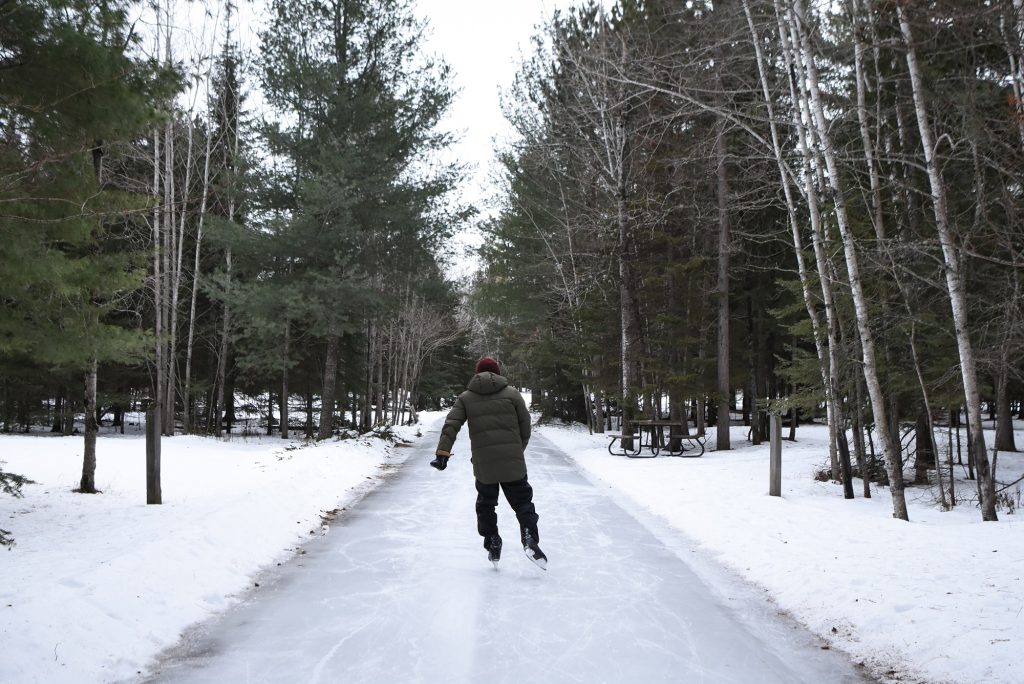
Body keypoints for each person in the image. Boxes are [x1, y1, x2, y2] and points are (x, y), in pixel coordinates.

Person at [430, 356, 547, 569]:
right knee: (523, 503)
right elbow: (525, 425)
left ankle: (492, 540)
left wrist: (443, 453)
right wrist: (517, 449)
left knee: (486, 504)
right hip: (513, 462)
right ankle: (529, 537)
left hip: (484, 465)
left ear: (477, 373)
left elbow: (451, 425)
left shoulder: (466, 398)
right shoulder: (512, 394)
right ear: (498, 372)